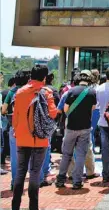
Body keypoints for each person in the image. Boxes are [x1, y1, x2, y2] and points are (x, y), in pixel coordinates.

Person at [11, 65, 57, 210]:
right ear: (44, 77)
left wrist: (16, 132)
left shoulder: (20, 92)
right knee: (35, 172)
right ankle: (33, 206)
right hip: (40, 138)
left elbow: (16, 116)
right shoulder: (47, 92)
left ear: (31, 75)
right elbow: (53, 113)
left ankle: (15, 205)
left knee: (20, 171)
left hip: (22, 137)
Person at [55, 70, 96, 190]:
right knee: (81, 154)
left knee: (67, 154)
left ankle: (61, 179)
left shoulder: (71, 91)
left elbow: (66, 109)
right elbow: (93, 108)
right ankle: (77, 181)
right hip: (85, 127)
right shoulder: (92, 92)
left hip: (71, 127)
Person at [2, 69, 31, 190]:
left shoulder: (11, 92)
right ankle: (35, 181)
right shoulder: (31, 91)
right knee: (31, 156)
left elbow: (4, 110)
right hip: (29, 127)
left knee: (15, 156)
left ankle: (15, 182)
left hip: (15, 127)